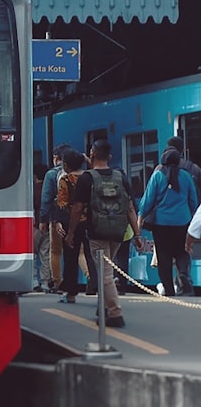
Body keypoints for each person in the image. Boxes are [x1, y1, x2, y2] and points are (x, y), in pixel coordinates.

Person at [66, 140, 144, 327]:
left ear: (91, 154)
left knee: (105, 274)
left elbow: (77, 208)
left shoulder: (87, 178)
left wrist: (71, 232)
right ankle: (103, 308)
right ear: (109, 156)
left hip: (97, 231)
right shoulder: (120, 176)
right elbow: (130, 208)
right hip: (117, 231)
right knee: (106, 269)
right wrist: (137, 234)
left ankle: (115, 313)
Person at [139, 147, 198, 297]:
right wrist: (191, 216)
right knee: (182, 252)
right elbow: (193, 200)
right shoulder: (186, 176)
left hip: (161, 223)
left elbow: (147, 201)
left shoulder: (158, 176)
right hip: (182, 221)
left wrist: (141, 215)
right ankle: (183, 273)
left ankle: (169, 289)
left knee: (164, 255)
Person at [56, 148, 97, 304]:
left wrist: (60, 222)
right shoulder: (90, 177)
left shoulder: (65, 180)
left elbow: (62, 204)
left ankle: (71, 293)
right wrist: (89, 163)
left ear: (65, 165)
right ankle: (99, 286)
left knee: (70, 258)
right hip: (92, 221)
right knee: (93, 256)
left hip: (71, 223)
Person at [39, 143, 71, 293]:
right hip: (76, 217)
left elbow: (46, 199)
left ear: (56, 158)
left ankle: (58, 282)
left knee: (55, 251)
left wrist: (43, 219)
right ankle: (90, 276)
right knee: (81, 252)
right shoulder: (78, 173)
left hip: (56, 217)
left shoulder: (51, 174)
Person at [33, 163, 51, 291]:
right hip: (48, 224)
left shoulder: (32, 189)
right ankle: (45, 281)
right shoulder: (48, 189)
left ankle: (34, 280)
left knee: (32, 254)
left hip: (34, 225)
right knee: (45, 254)